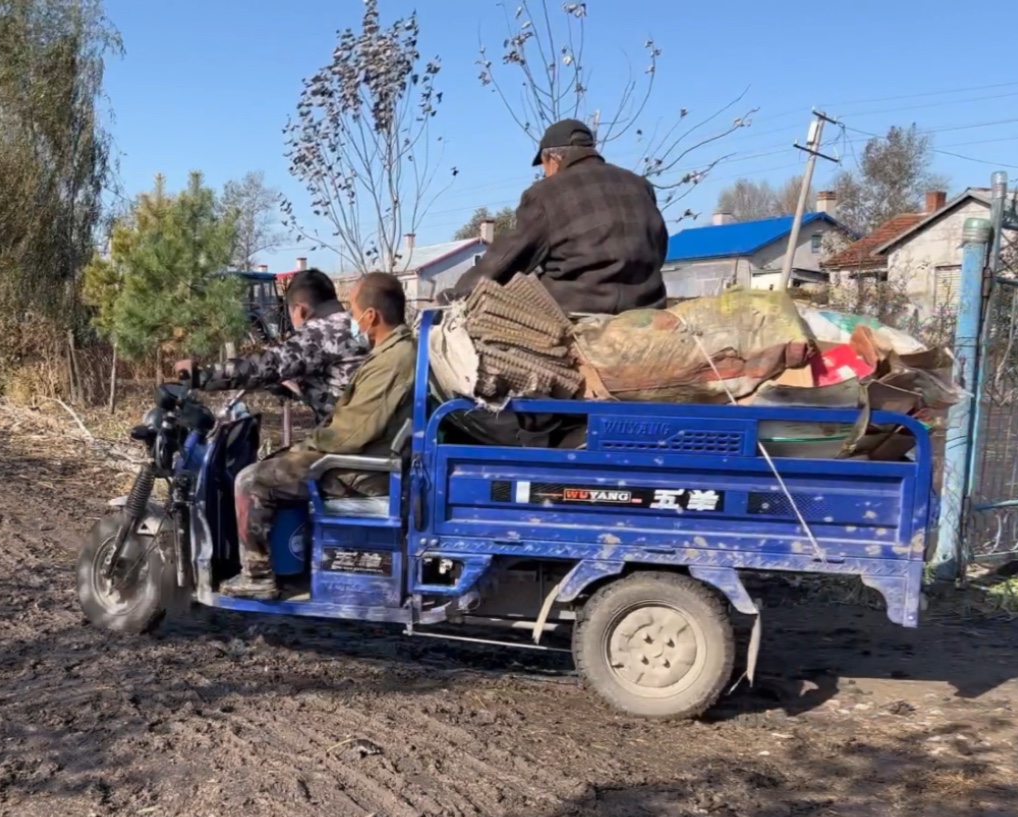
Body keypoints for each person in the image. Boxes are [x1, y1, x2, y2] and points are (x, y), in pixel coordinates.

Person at [221, 272, 416, 600]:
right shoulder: (394, 351)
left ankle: (257, 577)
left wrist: (306, 447)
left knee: (250, 480)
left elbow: (350, 432)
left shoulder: (393, 360)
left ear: (371, 317)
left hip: (362, 466)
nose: (349, 320)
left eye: (353, 312)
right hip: (371, 455)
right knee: (277, 463)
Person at [448, 118, 670, 315]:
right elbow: (658, 248)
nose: (545, 173)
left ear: (553, 158)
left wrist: (457, 295)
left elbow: (506, 259)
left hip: (578, 311)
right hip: (647, 305)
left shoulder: (545, 194)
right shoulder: (640, 185)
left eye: (544, 166)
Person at [177, 268, 367, 421]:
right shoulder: (358, 325)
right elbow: (339, 384)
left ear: (299, 310)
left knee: (258, 470)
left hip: (344, 444)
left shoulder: (321, 332)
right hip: (369, 433)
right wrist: (297, 388)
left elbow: (265, 365)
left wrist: (201, 375)